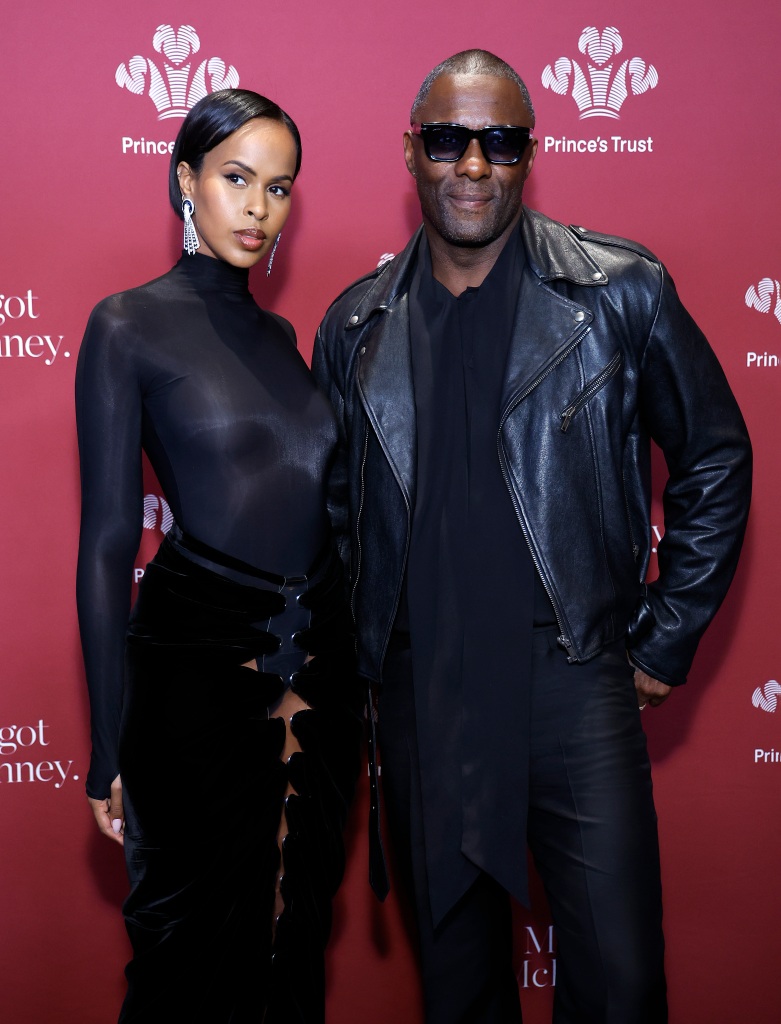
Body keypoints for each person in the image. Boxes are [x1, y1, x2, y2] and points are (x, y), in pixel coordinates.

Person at [312, 50, 752, 1023]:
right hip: (424, 694)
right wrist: (360, 673)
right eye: (448, 139)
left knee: (619, 987)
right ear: (411, 151)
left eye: (499, 141)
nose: (473, 163)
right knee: (458, 990)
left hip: (571, 680)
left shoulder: (619, 291)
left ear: (529, 156)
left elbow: (715, 457)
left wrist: (663, 636)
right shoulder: (354, 326)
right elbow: (336, 521)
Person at [76, 88, 361, 1023]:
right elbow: (110, 540)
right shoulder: (126, 324)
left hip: (316, 684)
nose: (257, 207)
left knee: (291, 935)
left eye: (278, 188)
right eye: (236, 178)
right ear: (183, 181)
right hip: (191, 678)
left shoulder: (286, 340)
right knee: (185, 949)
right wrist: (103, 743)